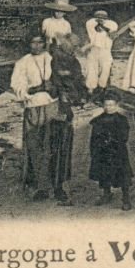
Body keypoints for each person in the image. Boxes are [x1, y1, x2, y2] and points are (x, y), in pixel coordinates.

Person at [9, 36, 56, 198]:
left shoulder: (51, 58)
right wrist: (31, 90)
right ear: (28, 44)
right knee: (34, 145)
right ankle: (39, 184)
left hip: (51, 105)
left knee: (51, 144)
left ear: (45, 43)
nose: (36, 45)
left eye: (39, 42)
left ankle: (53, 182)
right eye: (33, 42)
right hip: (33, 106)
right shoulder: (22, 62)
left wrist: (53, 87)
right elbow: (16, 85)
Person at [44, 33, 84, 205]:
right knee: (59, 149)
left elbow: (75, 79)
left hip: (62, 107)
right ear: (67, 45)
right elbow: (65, 81)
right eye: (74, 47)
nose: (75, 50)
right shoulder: (61, 60)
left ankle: (54, 184)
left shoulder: (67, 59)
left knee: (58, 148)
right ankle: (57, 186)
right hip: (59, 108)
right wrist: (75, 96)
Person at [87, 93, 135, 210]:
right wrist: (95, 150)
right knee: (103, 173)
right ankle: (106, 193)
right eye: (106, 105)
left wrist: (112, 140)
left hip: (117, 151)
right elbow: (94, 138)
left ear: (117, 105)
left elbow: (124, 136)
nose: (109, 107)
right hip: (103, 151)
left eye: (112, 105)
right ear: (103, 106)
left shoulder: (122, 120)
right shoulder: (98, 121)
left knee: (122, 174)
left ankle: (126, 198)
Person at [82, 10, 120, 96]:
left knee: (105, 70)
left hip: (105, 50)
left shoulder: (112, 24)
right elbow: (93, 28)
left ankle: (102, 89)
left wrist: (103, 25)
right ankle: (90, 90)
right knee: (91, 69)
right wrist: (99, 24)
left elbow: (112, 35)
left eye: (103, 18)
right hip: (93, 49)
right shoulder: (90, 23)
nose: (100, 19)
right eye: (98, 18)